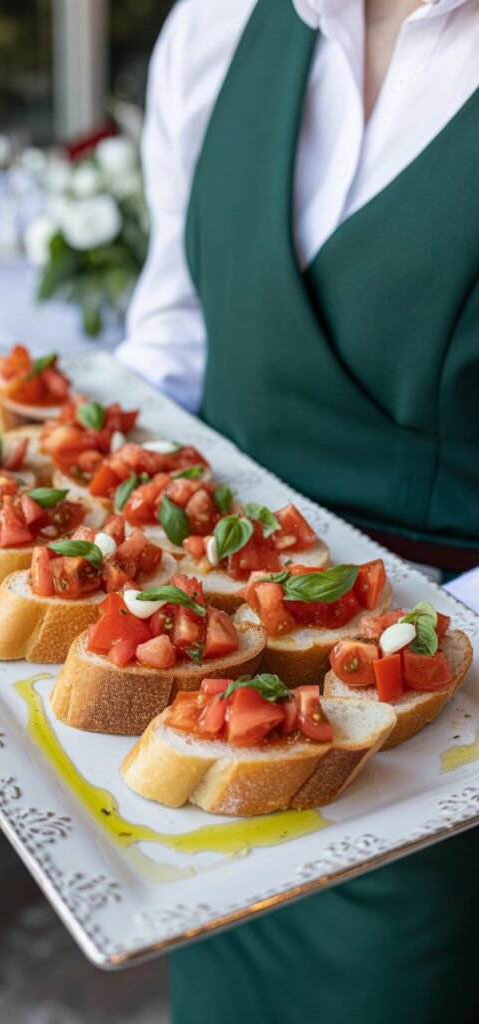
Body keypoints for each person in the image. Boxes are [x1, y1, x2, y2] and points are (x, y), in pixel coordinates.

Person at [116, 0, 479, 1021]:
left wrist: (412, 655)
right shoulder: (217, 21)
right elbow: (174, 330)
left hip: (432, 751)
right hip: (198, 690)